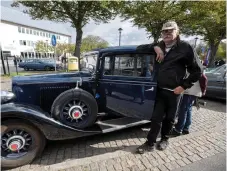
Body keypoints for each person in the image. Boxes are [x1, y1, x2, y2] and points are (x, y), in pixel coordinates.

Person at [136, 21, 203, 154]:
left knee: (170, 118)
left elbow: (197, 71)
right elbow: (139, 49)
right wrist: (155, 47)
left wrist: (183, 86)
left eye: (170, 30)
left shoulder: (185, 47)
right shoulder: (159, 45)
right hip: (160, 90)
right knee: (156, 118)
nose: (167, 33)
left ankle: (165, 139)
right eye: (164, 31)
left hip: (175, 91)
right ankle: (150, 142)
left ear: (177, 32)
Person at [171, 69, 207, 136]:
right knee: (188, 110)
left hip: (189, 92)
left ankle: (178, 129)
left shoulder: (193, 65)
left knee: (183, 110)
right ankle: (186, 128)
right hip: (193, 92)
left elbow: (203, 77)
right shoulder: (196, 64)